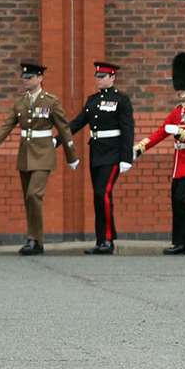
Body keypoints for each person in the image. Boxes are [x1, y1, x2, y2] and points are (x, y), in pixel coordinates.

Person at [0, 60, 77, 256]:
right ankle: (37, 240)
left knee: (34, 195)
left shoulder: (50, 101)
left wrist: (71, 156)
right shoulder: (20, 102)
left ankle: (33, 238)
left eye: (30, 77)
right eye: (24, 77)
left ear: (40, 78)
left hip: (44, 153)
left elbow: (64, 128)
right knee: (29, 200)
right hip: (25, 154)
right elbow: (6, 126)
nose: (25, 80)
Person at [136, 53, 185, 254]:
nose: (180, 90)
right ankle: (181, 241)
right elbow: (161, 132)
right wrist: (141, 147)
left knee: (183, 198)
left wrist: (180, 132)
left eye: (184, 86)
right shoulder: (177, 111)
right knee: (175, 200)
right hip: (180, 162)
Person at [69, 62, 135, 254]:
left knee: (102, 193)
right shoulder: (92, 101)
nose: (98, 79)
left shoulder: (121, 100)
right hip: (96, 152)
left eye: (103, 76)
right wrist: (57, 140)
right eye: (97, 76)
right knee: (98, 197)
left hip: (113, 153)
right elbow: (77, 123)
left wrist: (126, 157)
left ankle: (108, 240)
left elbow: (127, 128)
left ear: (112, 77)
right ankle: (101, 240)